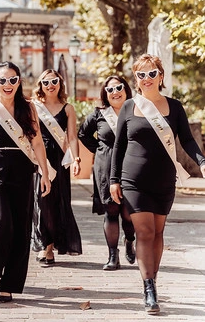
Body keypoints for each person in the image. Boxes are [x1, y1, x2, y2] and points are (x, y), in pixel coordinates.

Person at [110, 54, 205, 314]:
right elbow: (119, 146)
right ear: (136, 79)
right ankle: (149, 288)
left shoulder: (174, 107)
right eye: (142, 74)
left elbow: (187, 140)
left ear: (161, 76)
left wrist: (202, 162)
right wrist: (113, 180)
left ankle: (154, 278)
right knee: (145, 232)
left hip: (164, 180)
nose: (147, 79)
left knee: (159, 233)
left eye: (152, 73)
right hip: (133, 180)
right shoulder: (129, 106)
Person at [0, 61, 51, 303]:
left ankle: (9, 284)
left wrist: (45, 172)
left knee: (21, 228)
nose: (7, 84)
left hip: (23, 168)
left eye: (12, 80)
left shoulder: (28, 107)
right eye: (2, 80)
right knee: (1, 223)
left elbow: (38, 141)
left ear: (19, 81)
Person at [78, 76, 136, 270]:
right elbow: (83, 134)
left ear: (126, 89)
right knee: (111, 211)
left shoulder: (137, 111)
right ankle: (113, 255)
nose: (115, 92)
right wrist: (101, 149)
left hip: (130, 165)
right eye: (110, 89)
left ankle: (129, 240)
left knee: (128, 213)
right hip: (106, 167)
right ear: (105, 93)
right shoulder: (99, 114)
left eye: (119, 87)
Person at [31, 69, 82, 264]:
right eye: (46, 82)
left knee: (57, 201)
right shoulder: (34, 107)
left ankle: (51, 246)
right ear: (41, 85)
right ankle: (45, 243)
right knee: (42, 201)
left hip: (59, 160)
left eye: (54, 81)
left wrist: (76, 159)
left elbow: (72, 137)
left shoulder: (68, 108)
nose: (50, 85)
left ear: (60, 84)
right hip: (40, 158)